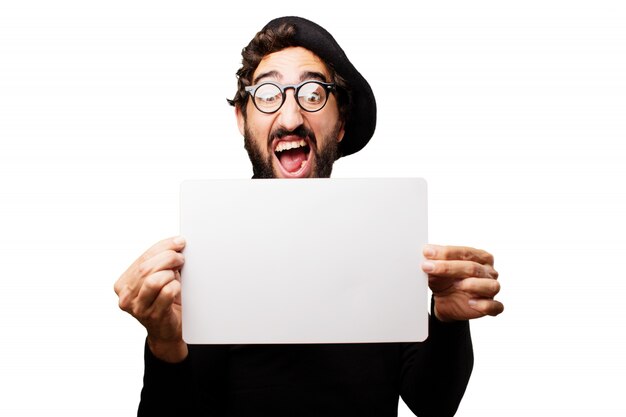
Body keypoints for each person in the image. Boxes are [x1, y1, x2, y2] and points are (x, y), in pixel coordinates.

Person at [114, 16, 504, 417]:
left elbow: (433, 403)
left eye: (313, 93)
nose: (289, 117)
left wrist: (448, 320)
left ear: (340, 124)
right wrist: (165, 348)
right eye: (267, 94)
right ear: (241, 120)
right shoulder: (211, 257)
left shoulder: (380, 243)